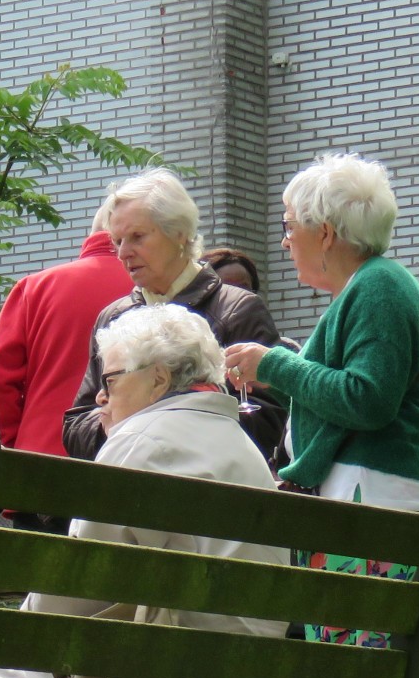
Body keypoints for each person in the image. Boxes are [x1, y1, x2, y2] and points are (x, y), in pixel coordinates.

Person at [0, 304, 285, 678]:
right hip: (248, 668)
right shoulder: (242, 445)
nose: (100, 398)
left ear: (158, 378)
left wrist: (17, 631)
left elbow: (76, 586)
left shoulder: (137, 441)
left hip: (175, 669)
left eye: (109, 380)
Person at [221, 154, 419, 678]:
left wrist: (274, 364)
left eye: (291, 225)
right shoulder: (379, 287)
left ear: (327, 231)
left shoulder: (379, 287)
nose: (286, 237)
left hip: (375, 527)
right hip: (385, 519)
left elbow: (368, 395)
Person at [62, 170, 284, 463]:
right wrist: (121, 425)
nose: (123, 253)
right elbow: (76, 425)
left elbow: (268, 422)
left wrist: (162, 425)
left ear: (179, 232)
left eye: (137, 237)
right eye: (117, 241)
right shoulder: (113, 317)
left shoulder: (238, 309)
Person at [0, 198, 134, 507]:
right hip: (130, 465)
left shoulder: (35, 287)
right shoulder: (157, 289)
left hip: (39, 468)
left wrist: (16, 449)